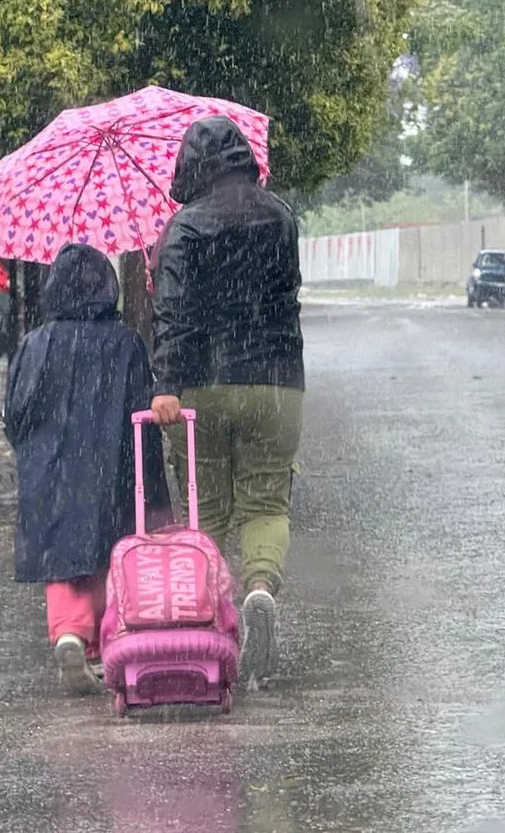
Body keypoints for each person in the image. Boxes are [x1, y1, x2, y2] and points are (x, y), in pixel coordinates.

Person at [148, 115, 305, 687]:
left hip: (204, 385)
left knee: (204, 512)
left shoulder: (184, 229)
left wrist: (166, 383)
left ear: (191, 166)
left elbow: (173, 316)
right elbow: (287, 293)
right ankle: (260, 586)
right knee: (266, 502)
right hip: (278, 381)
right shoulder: (282, 216)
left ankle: (216, 628)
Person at [5, 244, 170, 695]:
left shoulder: (34, 344)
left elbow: (14, 415)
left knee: (63, 558)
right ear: (109, 288)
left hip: (51, 469)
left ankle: (69, 634)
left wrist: (33, 451)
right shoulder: (126, 344)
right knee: (105, 553)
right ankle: (98, 643)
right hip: (109, 465)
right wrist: (153, 489)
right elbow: (143, 416)